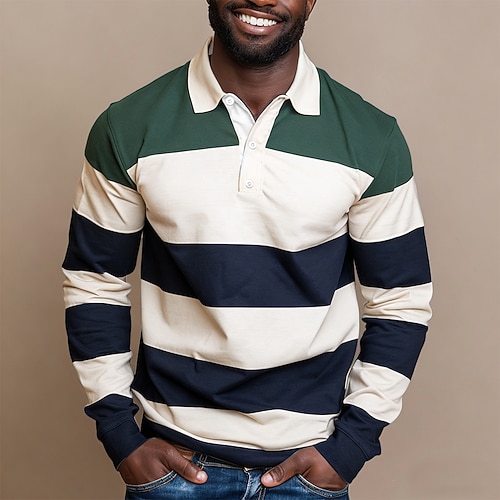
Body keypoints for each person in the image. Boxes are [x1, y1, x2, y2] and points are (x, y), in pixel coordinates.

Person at [62, 1, 432, 498]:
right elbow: (95, 282)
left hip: (309, 468)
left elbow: (401, 299)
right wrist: (118, 432)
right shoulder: (128, 126)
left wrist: (353, 444)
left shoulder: (371, 137)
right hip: (172, 466)